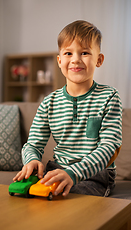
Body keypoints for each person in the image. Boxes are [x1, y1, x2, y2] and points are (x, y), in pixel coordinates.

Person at [13, 20, 122, 198]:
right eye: (68, 53)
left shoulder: (109, 96)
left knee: (65, 196)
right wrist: (31, 160)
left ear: (99, 59)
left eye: (85, 52)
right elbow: (33, 144)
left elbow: (110, 147)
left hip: (96, 173)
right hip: (59, 168)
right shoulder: (49, 102)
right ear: (59, 60)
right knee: (26, 193)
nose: (76, 59)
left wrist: (74, 173)